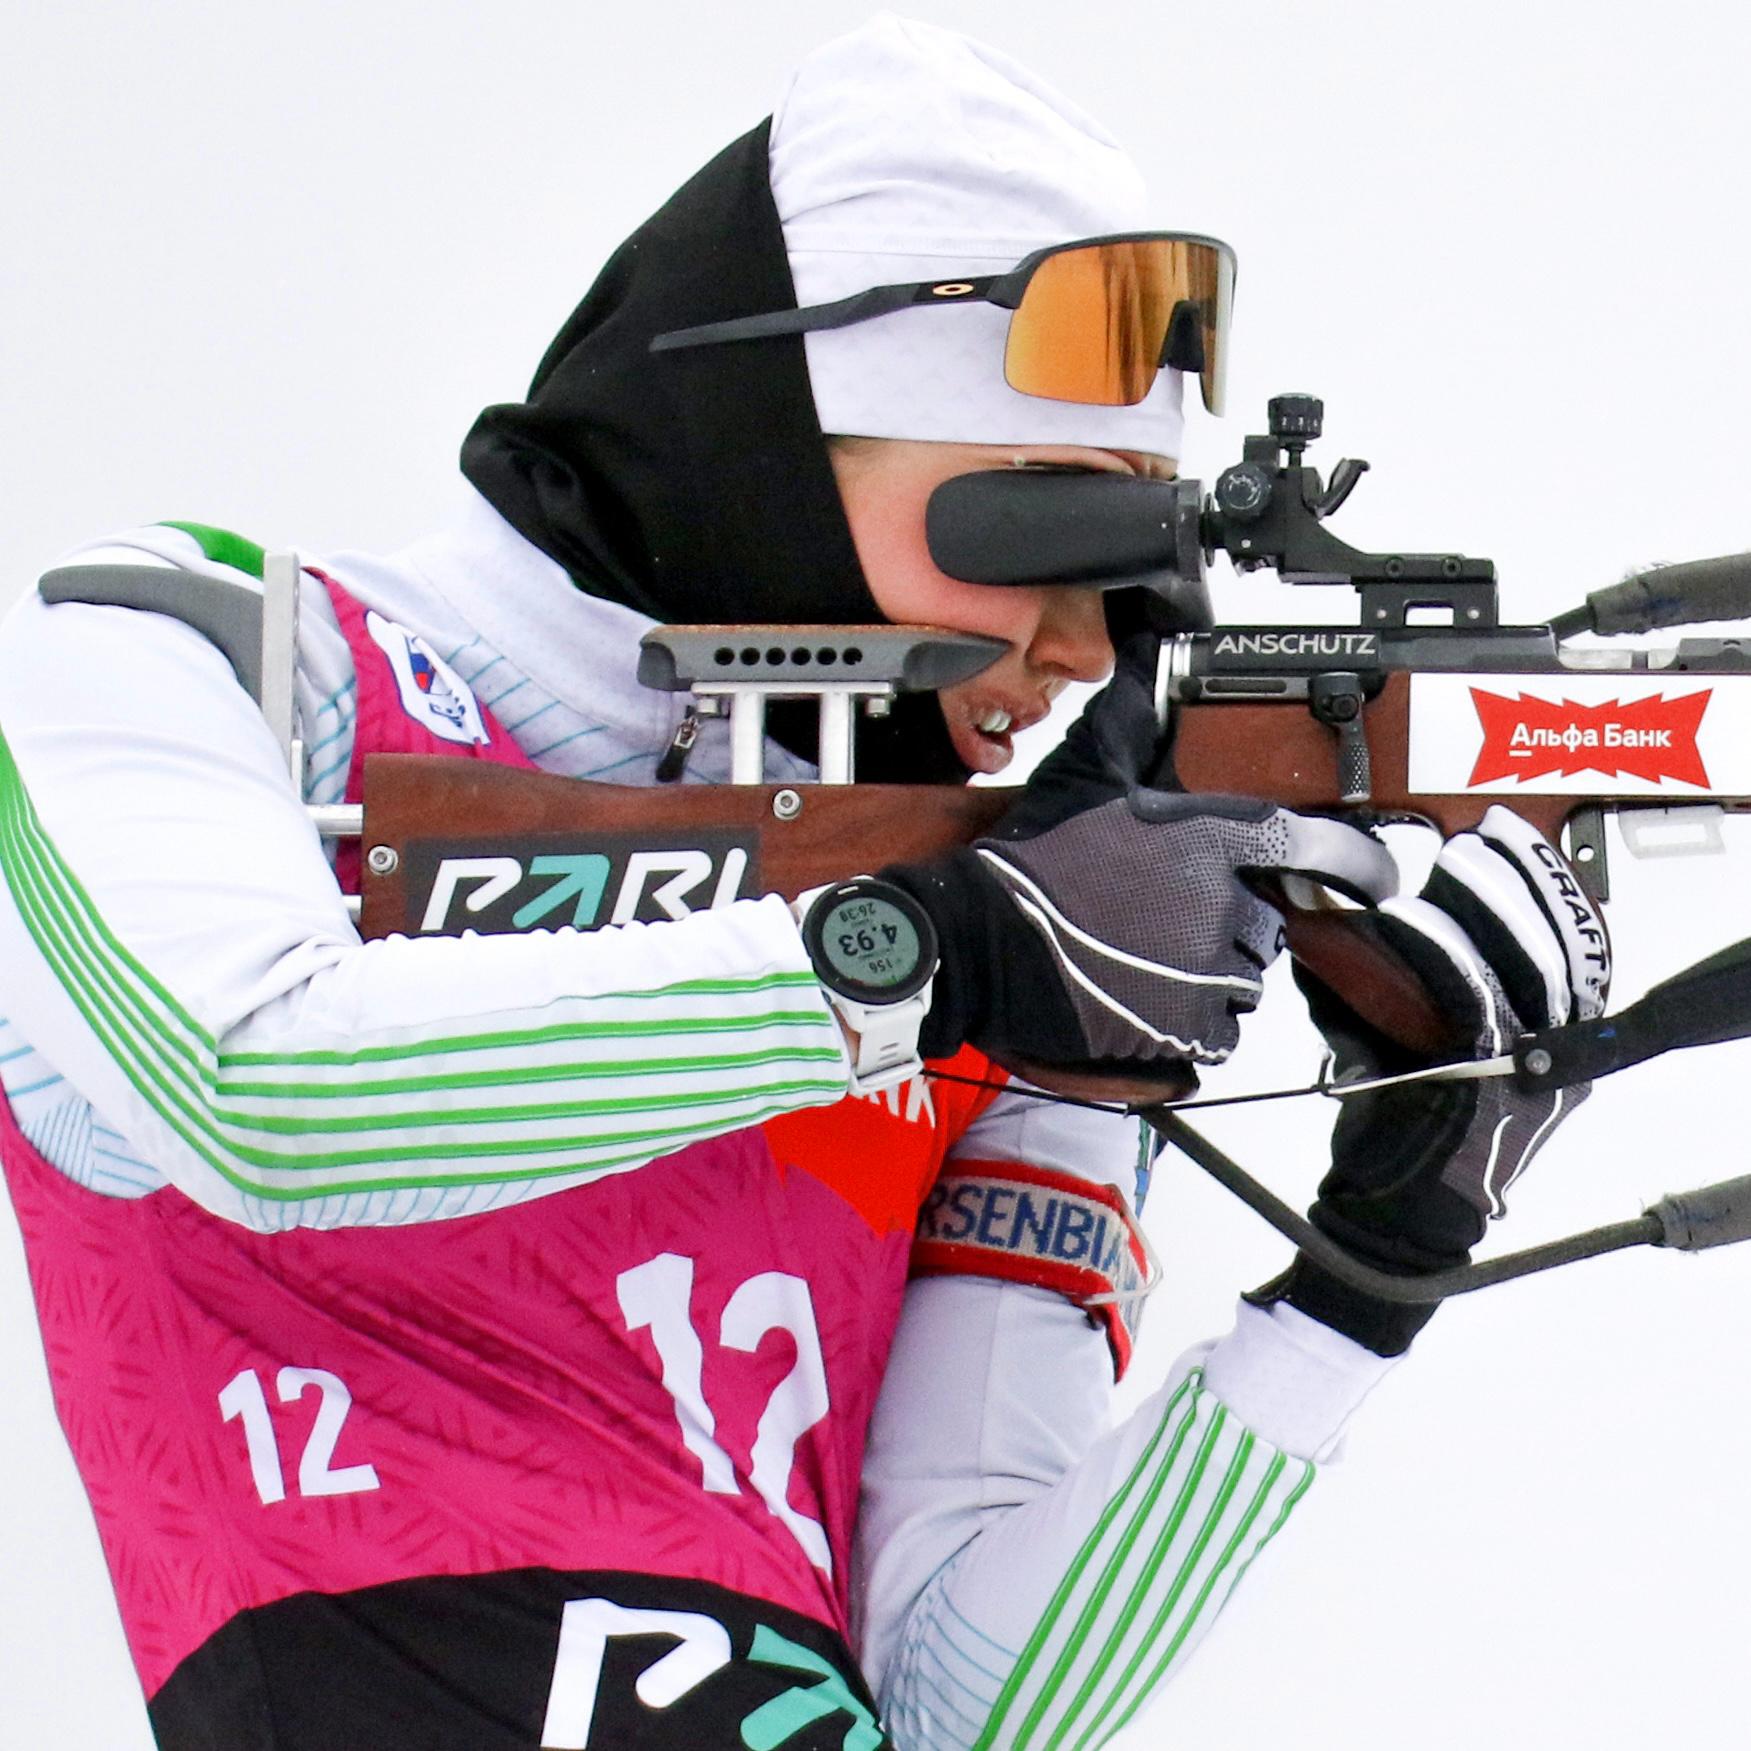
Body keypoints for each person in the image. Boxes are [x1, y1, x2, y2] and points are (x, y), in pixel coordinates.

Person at [0, 14, 1608, 1749]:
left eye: (1136, 574)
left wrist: (1364, 1282)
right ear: (761, 437)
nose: (1084, 647)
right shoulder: (208, 657)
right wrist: (920, 956)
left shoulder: (995, 924)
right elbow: (254, 1094)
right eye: (1043, 530)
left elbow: (956, 1706)